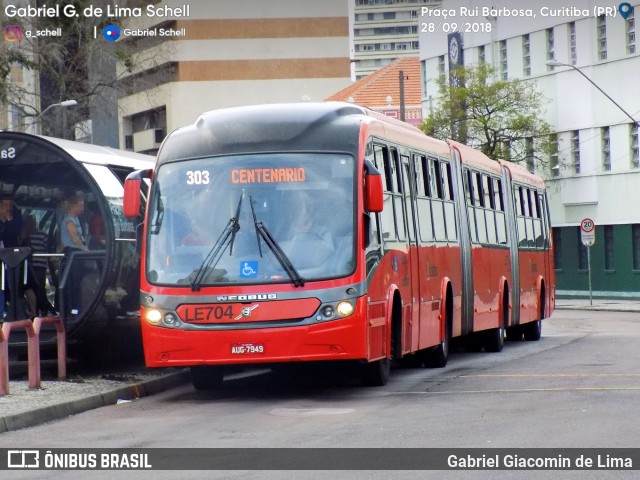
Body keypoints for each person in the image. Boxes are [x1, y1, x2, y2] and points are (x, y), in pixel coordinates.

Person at [21, 215, 51, 316]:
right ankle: (36, 310)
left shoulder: (43, 235)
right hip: (29, 266)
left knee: (39, 288)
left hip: (40, 266)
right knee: (32, 288)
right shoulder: (25, 237)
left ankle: (43, 309)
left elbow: (48, 249)